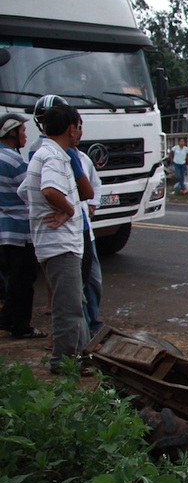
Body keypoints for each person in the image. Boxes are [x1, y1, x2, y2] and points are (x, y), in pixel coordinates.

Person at [17, 102, 90, 374]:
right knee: (68, 308)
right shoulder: (54, 156)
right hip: (60, 245)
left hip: (57, 243)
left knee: (75, 303)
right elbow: (49, 190)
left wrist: (41, 212)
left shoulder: (46, 153)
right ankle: (64, 362)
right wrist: (67, 210)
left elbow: (25, 191)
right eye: (79, 127)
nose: (80, 133)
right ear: (71, 129)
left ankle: (83, 356)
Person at [0, 113, 45, 339]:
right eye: (22, 131)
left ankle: (8, 317)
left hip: (3, 229)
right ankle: (20, 326)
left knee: (11, 278)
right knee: (24, 279)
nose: (25, 135)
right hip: (19, 229)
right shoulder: (14, 161)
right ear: (11, 133)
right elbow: (30, 190)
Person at [78, 150, 103, 333]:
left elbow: (95, 183)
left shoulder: (82, 158)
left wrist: (93, 203)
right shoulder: (49, 156)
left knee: (93, 281)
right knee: (76, 285)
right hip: (67, 236)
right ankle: (84, 329)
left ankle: (93, 323)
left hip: (86, 231)